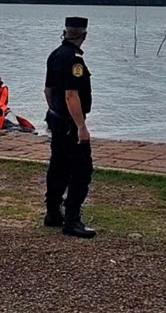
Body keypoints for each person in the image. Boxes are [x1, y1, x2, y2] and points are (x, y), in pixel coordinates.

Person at [43, 17, 95, 238]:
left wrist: (56, 113)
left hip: (56, 119)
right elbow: (71, 95)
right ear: (84, 36)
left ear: (65, 32)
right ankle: (72, 220)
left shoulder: (54, 55)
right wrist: (80, 126)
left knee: (58, 167)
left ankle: (53, 212)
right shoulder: (75, 61)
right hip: (69, 124)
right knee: (82, 171)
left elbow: (48, 91)